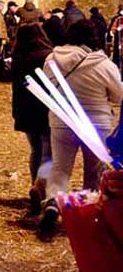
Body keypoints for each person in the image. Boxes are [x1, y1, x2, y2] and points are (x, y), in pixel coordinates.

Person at [38, 20, 123, 241]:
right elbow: (118, 96)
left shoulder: (52, 59)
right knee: (93, 172)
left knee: (60, 168)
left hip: (61, 120)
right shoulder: (104, 64)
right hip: (96, 122)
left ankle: (53, 205)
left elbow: (48, 88)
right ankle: (89, 214)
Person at [11, 23, 54, 215]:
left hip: (25, 109)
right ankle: (40, 187)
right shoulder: (48, 56)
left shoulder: (19, 57)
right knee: (48, 153)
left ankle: (34, 184)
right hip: (46, 108)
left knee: (35, 150)